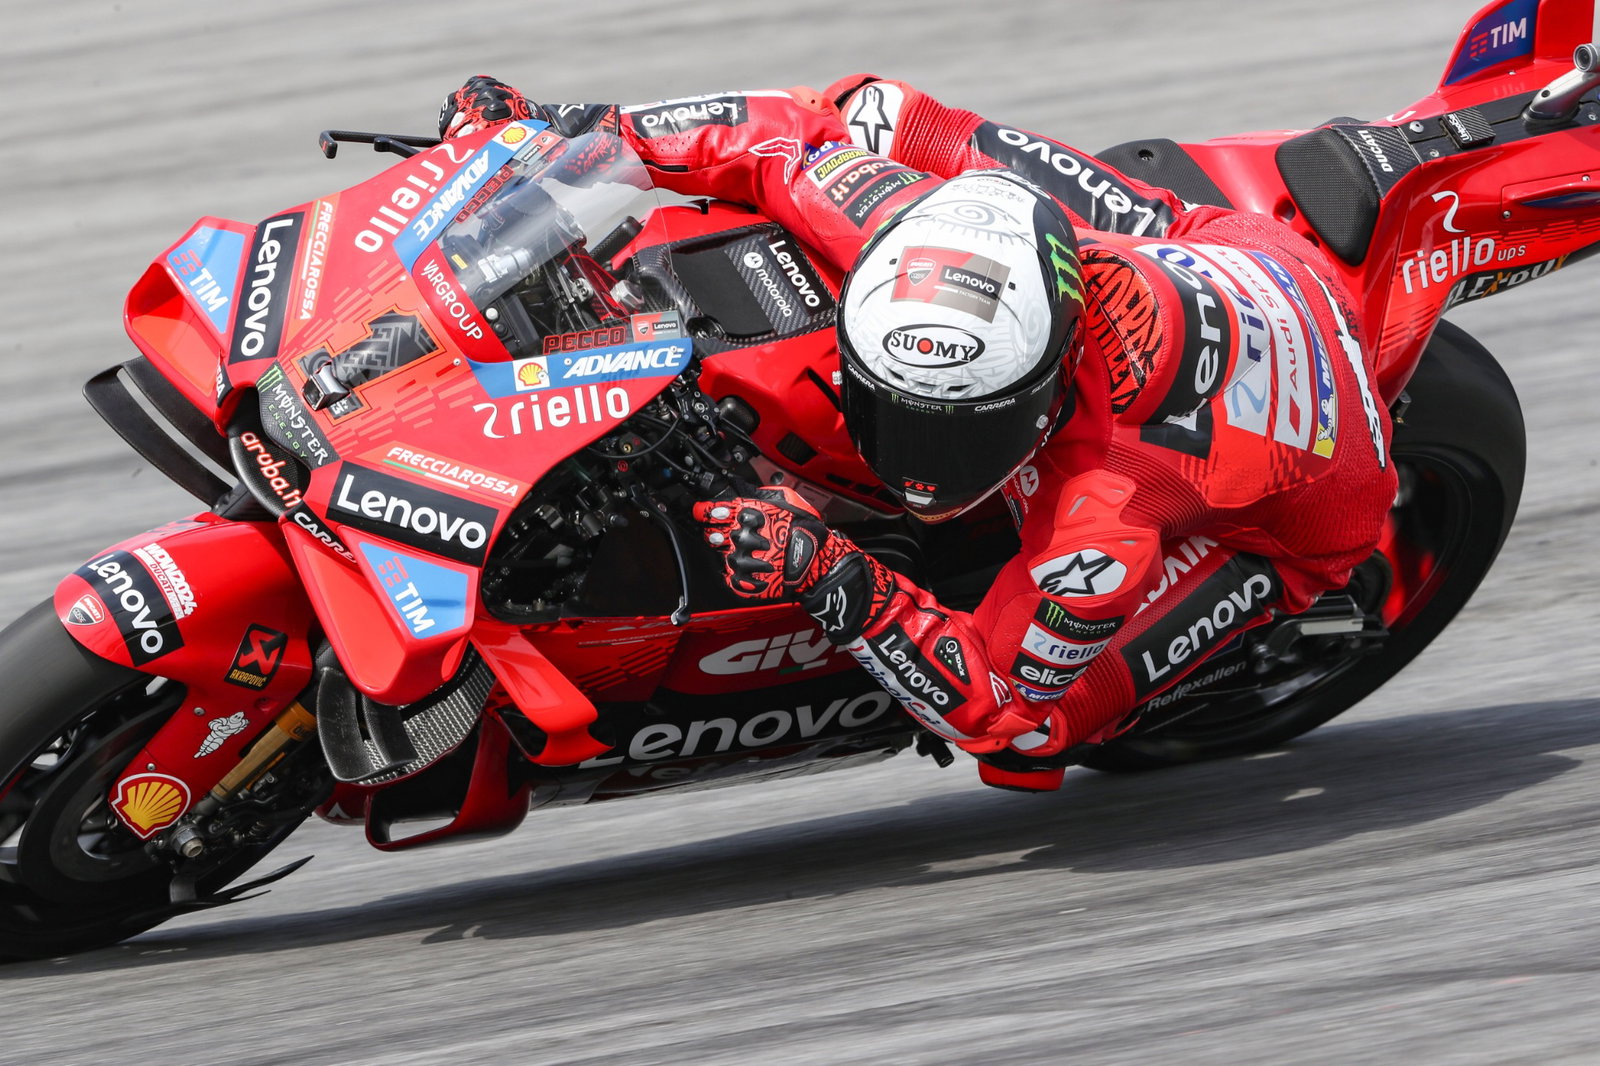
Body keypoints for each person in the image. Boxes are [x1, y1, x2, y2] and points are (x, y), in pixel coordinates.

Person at [439, 75, 1398, 790]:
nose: (912, 456)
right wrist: (556, 144)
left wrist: (833, 576)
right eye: (893, 407)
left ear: (1038, 392)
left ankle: (1278, 597)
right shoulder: (897, 222)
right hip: (1205, 242)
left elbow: (999, 703)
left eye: (949, 429)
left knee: (1034, 743)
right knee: (877, 112)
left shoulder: (1103, 506)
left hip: (1306, 508)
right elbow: (777, 133)